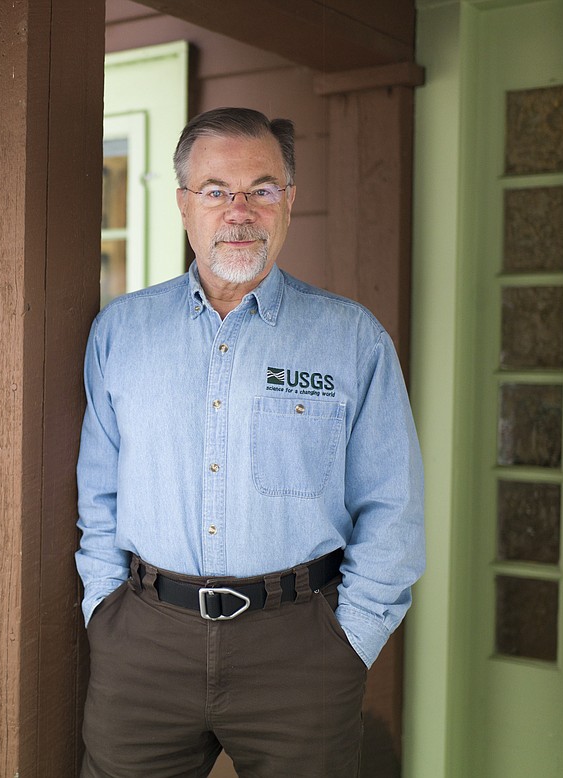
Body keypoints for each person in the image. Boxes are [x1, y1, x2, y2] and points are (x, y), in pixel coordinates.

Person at [75, 107, 424, 777]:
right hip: (145, 643)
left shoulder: (351, 340)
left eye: (262, 189)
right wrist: (104, 609)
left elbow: (393, 505)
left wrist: (351, 640)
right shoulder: (122, 332)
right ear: (184, 205)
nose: (240, 211)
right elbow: (100, 492)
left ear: (289, 201)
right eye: (215, 191)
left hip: (301, 650)